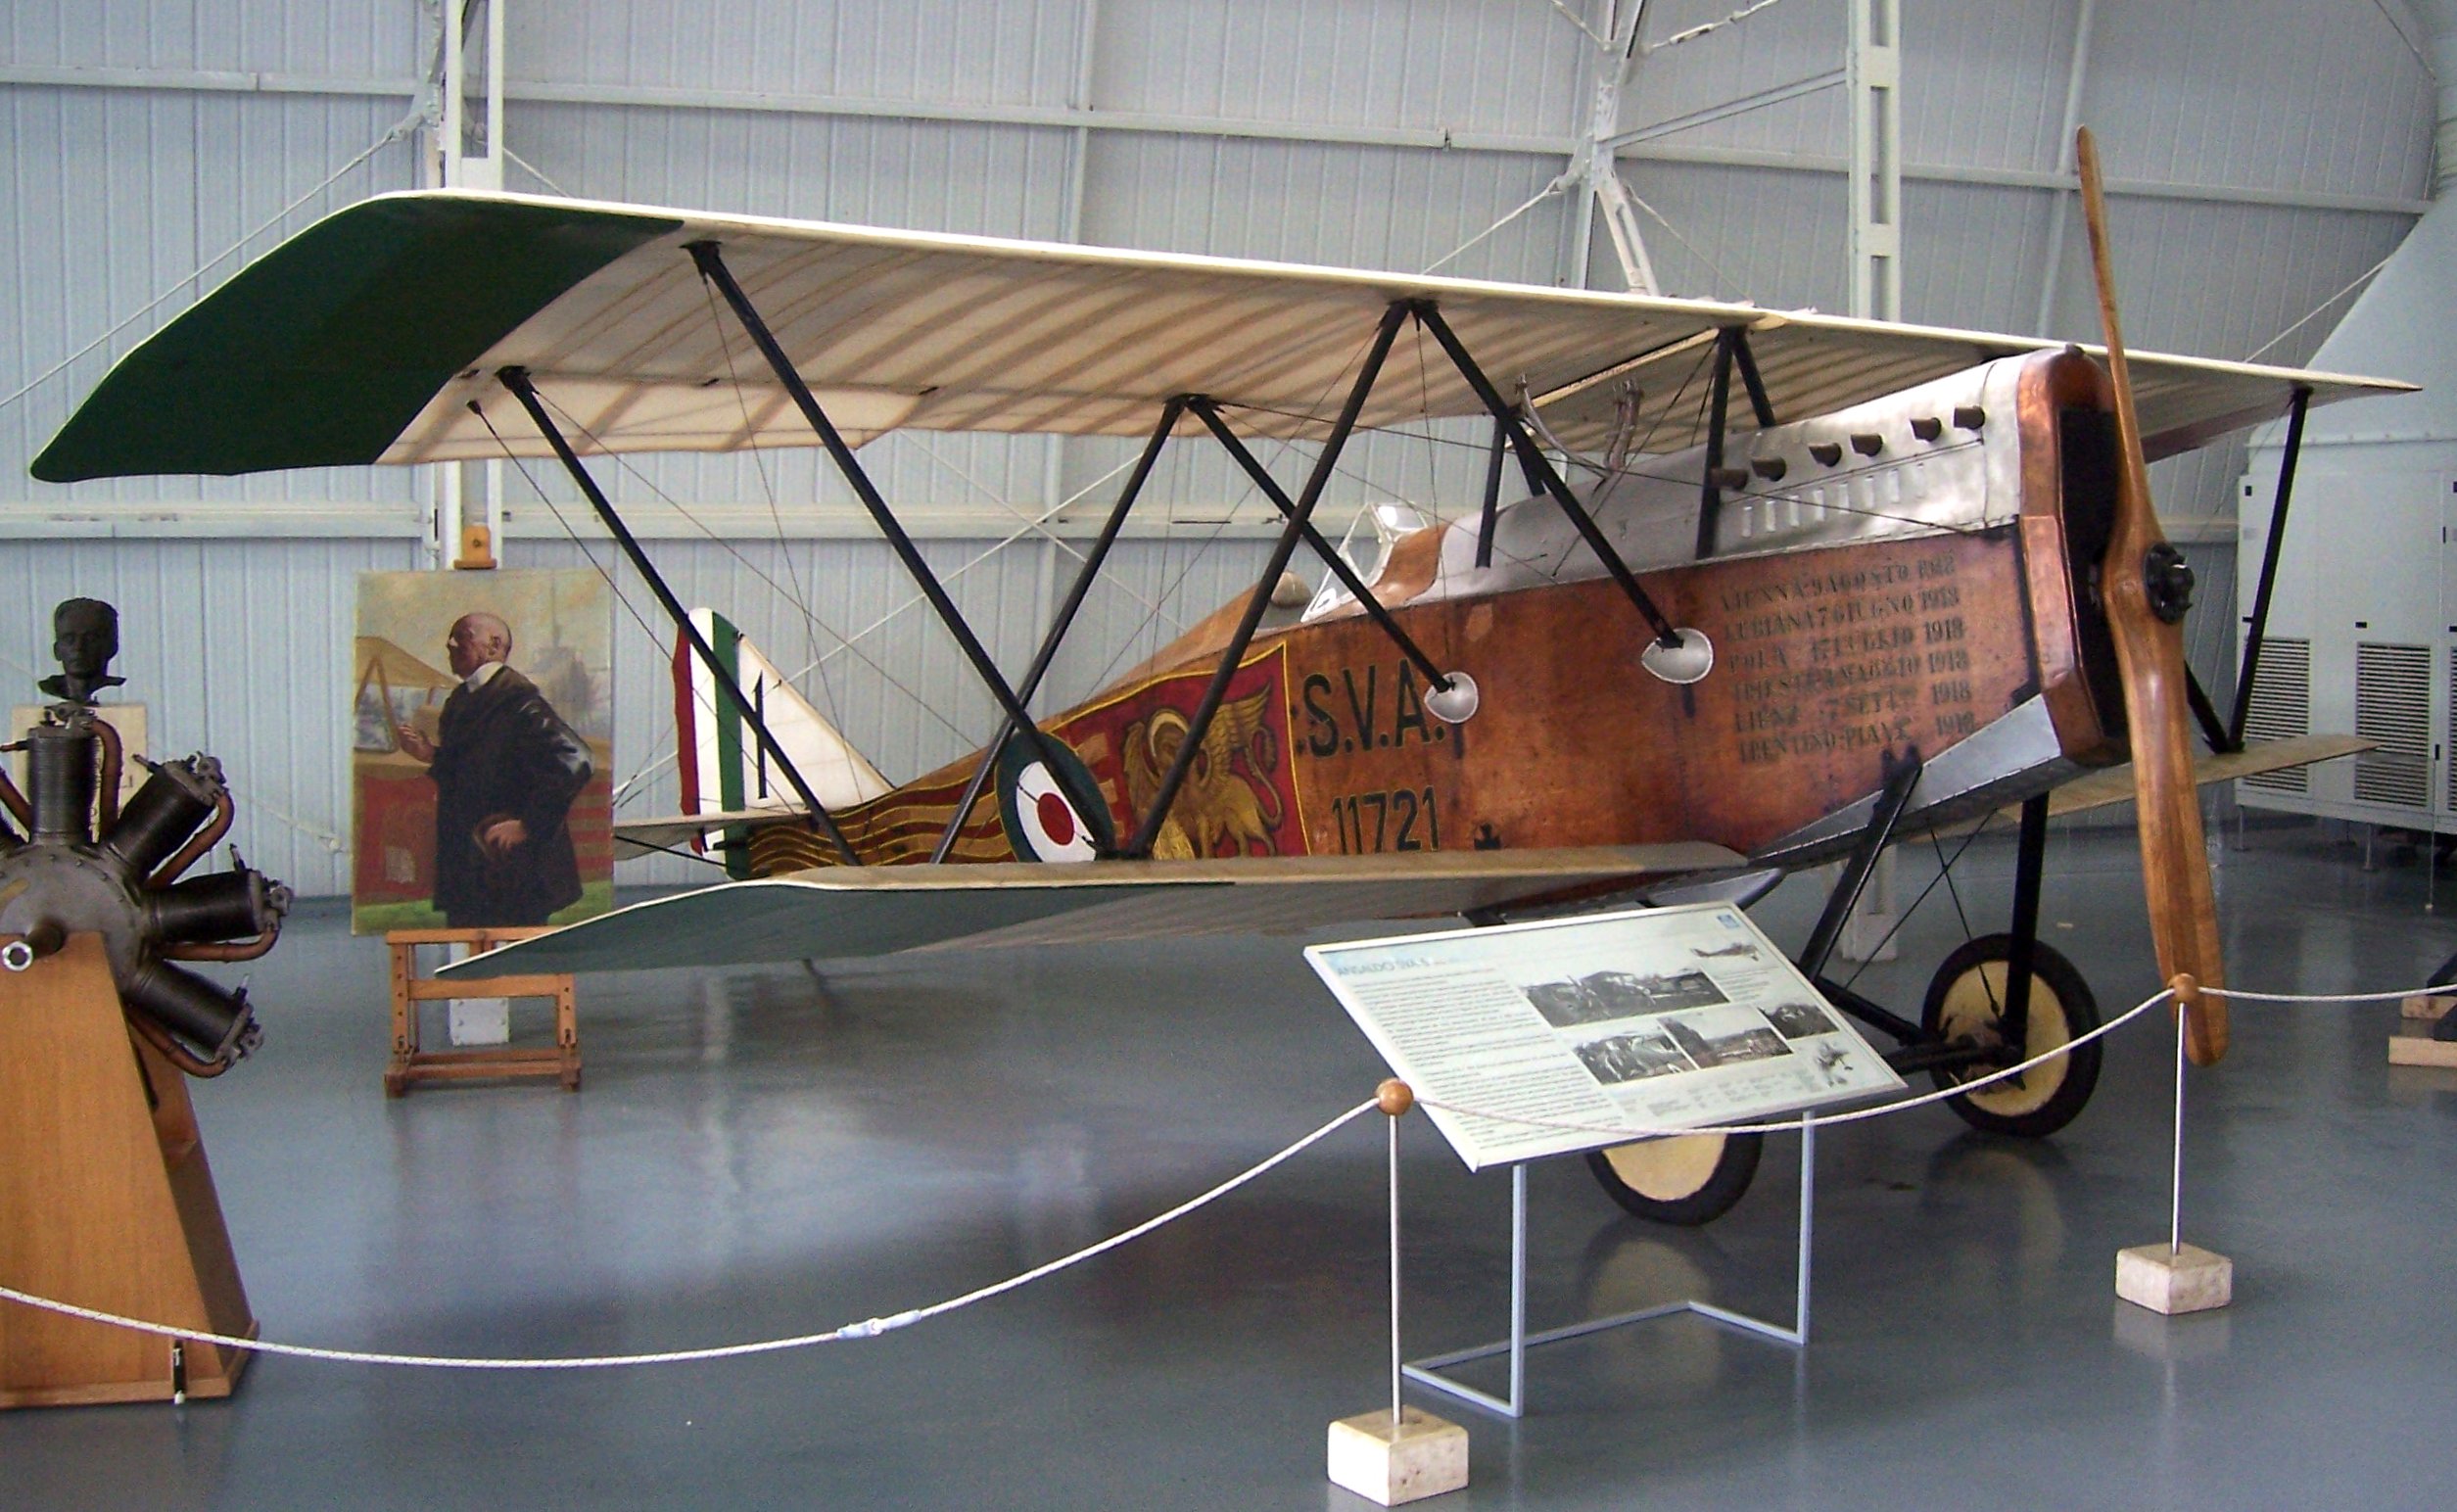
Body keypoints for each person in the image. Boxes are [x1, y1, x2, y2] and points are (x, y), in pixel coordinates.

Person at [396, 612, 593, 927]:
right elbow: (475, 768)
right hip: (470, 863)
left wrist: (528, 824)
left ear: (493, 645)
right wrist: (431, 754)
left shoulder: (518, 700)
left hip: (510, 865)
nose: (450, 643)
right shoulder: (462, 699)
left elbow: (575, 760)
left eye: (463, 635)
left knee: (525, 959)